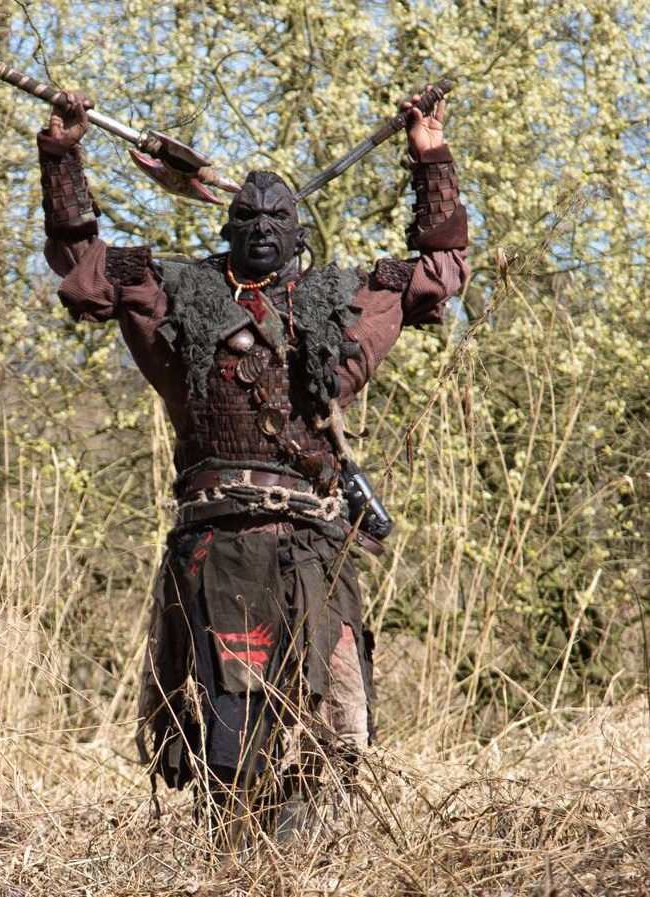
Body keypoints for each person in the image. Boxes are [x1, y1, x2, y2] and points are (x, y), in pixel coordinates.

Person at [37, 87, 469, 842]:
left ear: (299, 232)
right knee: (228, 735)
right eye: (246, 217)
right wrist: (63, 155)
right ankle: (233, 867)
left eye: (276, 219)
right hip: (216, 551)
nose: (262, 228)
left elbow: (442, 268)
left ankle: (300, 871)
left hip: (312, 551)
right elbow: (82, 266)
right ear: (224, 223)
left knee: (323, 735)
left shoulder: (343, 300)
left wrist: (430, 157)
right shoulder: (173, 293)